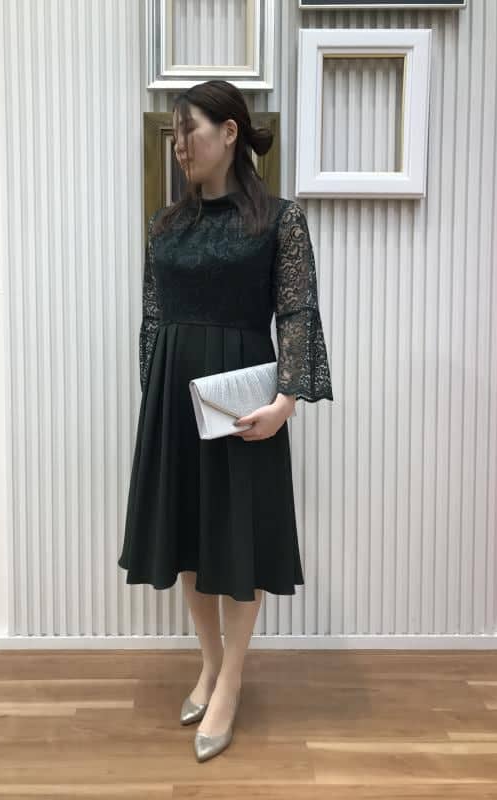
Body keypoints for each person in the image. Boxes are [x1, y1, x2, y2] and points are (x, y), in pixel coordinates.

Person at [117, 79, 333, 762]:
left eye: (191, 129)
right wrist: (155, 396)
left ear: (231, 132)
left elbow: (296, 311)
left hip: (245, 400)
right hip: (177, 400)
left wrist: (287, 400)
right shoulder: (165, 224)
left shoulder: (279, 220)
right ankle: (209, 663)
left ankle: (232, 679)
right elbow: (153, 316)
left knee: (238, 537)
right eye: (174, 133)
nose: (179, 144)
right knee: (188, 534)